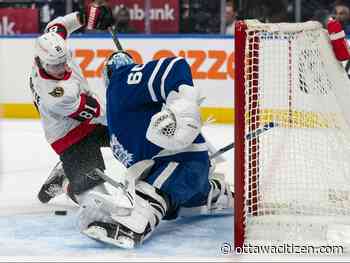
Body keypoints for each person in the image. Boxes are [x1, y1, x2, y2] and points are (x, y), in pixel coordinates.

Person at [76, 50, 233, 248]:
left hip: (179, 164)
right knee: (188, 198)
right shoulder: (118, 115)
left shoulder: (121, 81)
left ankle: (132, 225)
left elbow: (175, 67)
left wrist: (183, 104)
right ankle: (220, 195)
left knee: (150, 193)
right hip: (186, 177)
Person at [30, 1, 117, 205]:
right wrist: (125, 114)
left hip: (89, 120)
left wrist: (92, 15)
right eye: (54, 65)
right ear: (41, 61)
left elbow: (61, 24)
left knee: (135, 140)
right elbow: (99, 113)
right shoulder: (56, 94)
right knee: (97, 201)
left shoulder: (50, 46)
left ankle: (67, 172)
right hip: (69, 138)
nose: (61, 67)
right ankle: (67, 183)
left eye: (63, 61)